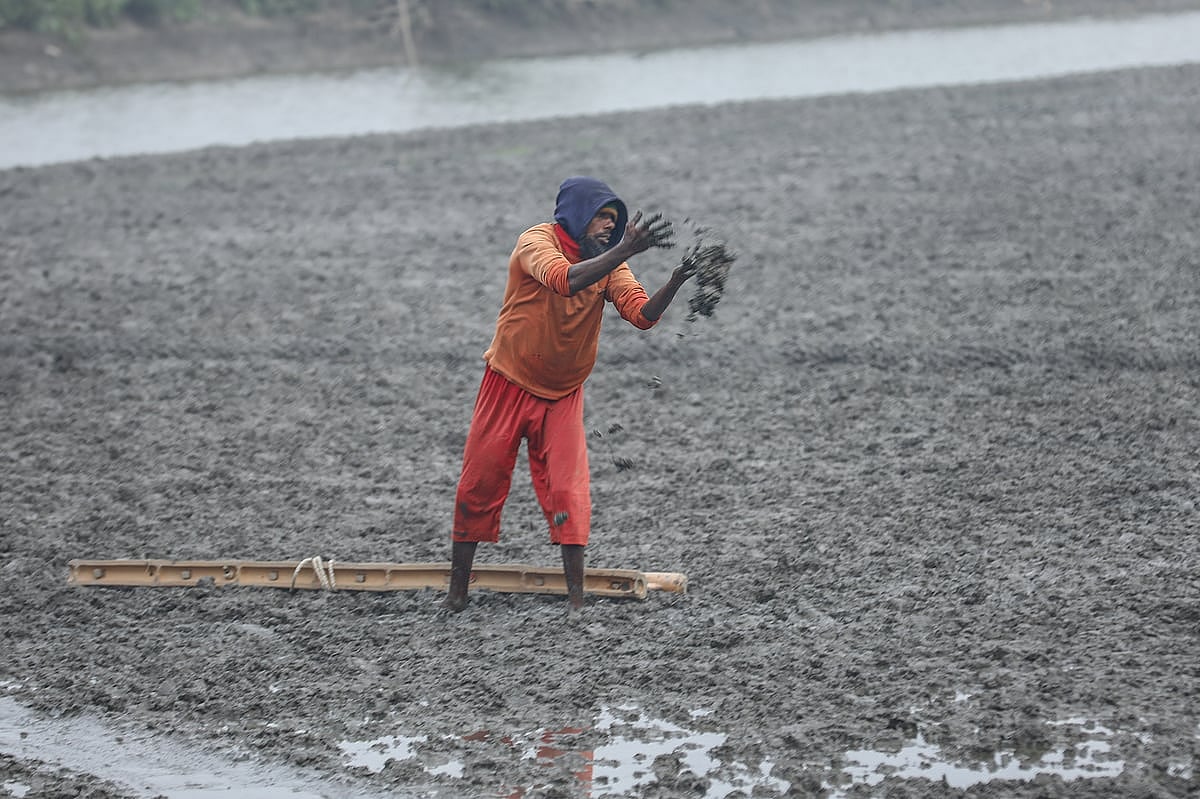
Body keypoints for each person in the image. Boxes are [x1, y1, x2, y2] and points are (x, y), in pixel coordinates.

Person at [444, 175, 698, 612]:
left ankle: (577, 603)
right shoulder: (536, 242)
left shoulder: (610, 261)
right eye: (601, 217)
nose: (606, 226)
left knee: (569, 492)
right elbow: (563, 280)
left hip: (563, 395)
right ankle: (457, 593)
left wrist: (675, 280)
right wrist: (624, 249)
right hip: (507, 382)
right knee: (480, 484)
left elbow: (642, 315)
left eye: (613, 220)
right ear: (577, 215)